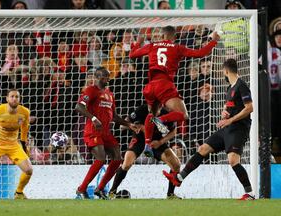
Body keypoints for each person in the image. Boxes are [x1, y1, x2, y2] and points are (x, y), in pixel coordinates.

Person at [163, 59, 255, 200]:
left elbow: (249, 108)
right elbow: (229, 108)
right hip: (227, 127)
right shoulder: (230, 88)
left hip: (238, 129)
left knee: (233, 160)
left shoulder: (242, 86)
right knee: (203, 149)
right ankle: (180, 178)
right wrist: (225, 113)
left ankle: (250, 193)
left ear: (225, 71)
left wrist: (230, 119)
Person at [129, 26, 219, 156]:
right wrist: (214, 41)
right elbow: (200, 54)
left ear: (162, 36)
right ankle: (161, 120)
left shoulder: (152, 46)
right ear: (174, 37)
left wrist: (138, 41)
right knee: (183, 115)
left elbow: (132, 54)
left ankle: (148, 144)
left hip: (149, 87)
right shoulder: (177, 48)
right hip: (165, 85)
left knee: (151, 115)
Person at [75, 67, 135, 199]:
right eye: (104, 76)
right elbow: (79, 106)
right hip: (93, 131)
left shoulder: (109, 93)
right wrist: (94, 118)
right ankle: (81, 189)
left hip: (106, 132)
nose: (107, 79)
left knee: (117, 159)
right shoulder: (91, 90)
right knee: (101, 159)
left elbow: (114, 116)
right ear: (97, 77)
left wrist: (129, 124)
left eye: (108, 76)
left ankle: (100, 188)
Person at [109, 104, 181, 199]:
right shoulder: (141, 110)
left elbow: (174, 131)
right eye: (149, 107)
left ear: (160, 107)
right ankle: (112, 192)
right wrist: (132, 126)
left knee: (176, 164)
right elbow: (124, 125)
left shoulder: (166, 114)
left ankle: (170, 195)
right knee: (126, 164)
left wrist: (160, 142)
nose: (151, 109)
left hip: (155, 141)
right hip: (140, 139)